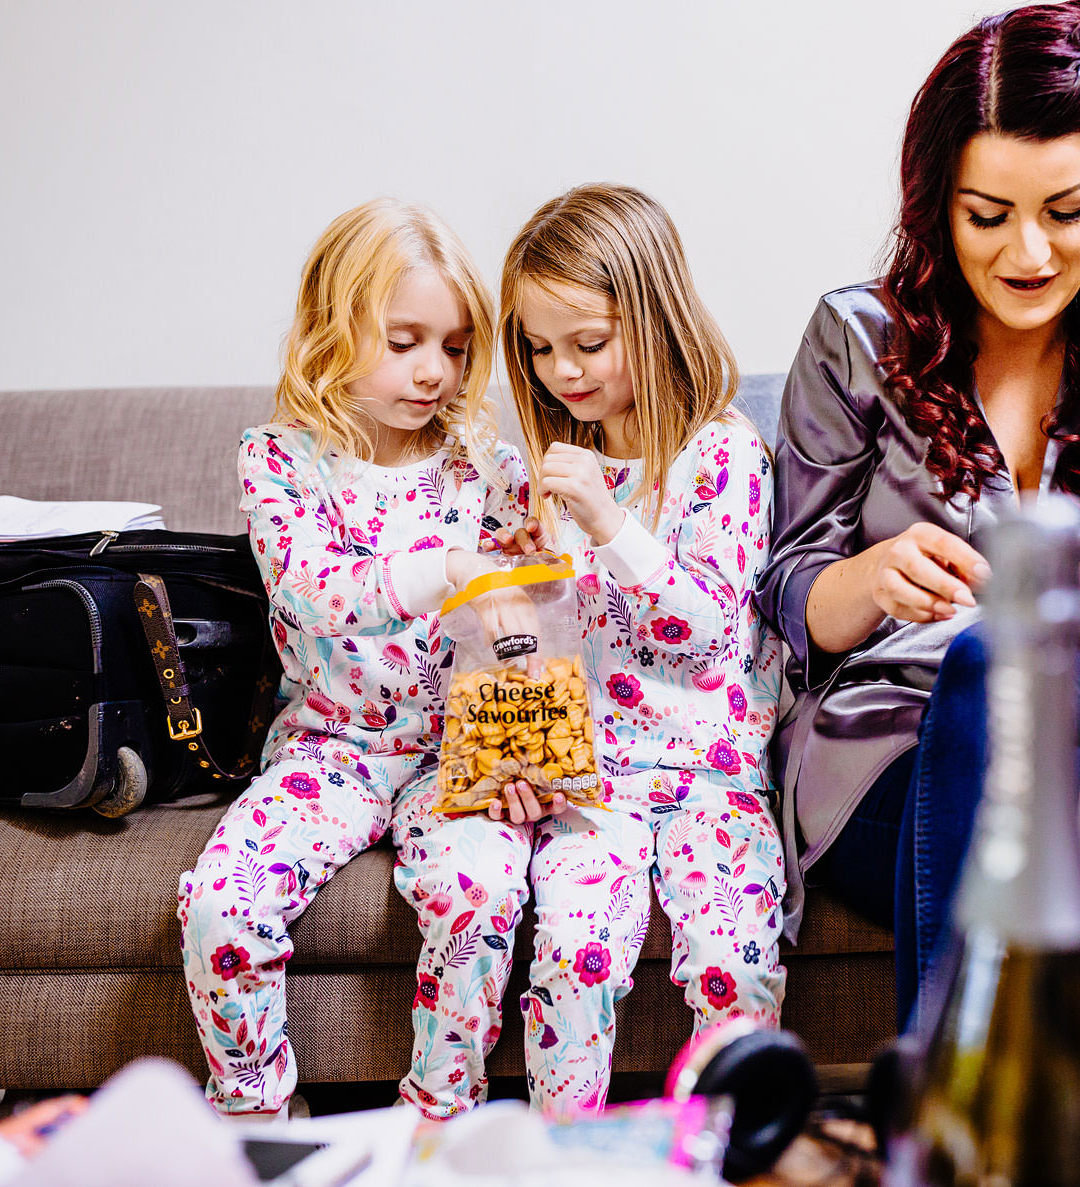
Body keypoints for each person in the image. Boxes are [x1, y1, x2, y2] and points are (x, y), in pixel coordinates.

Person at [752, 0, 1080, 1021]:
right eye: (988, 215)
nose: (1028, 252)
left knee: (1004, 661)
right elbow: (786, 583)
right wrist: (860, 580)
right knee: (1012, 823)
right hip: (884, 742)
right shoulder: (857, 335)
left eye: (1065, 212)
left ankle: (947, 1132)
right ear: (936, 202)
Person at [177, 198, 547, 1121]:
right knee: (222, 906)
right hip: (328, 751)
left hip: (455, 750)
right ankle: (258, 1115)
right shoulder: (280, 460)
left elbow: (528, 625)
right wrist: (450, 567)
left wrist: (520, 745)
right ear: (330, 332)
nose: (435, 371)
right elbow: (311, 590)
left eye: (456, 348)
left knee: (483, 894)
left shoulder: (484, 464)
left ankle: (435, 1122)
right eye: (404, 340)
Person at [491, 183, 787, 1109]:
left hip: (714, 774)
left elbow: (701, 634)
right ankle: (566, 1164)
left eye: (588, 342)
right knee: (570, 970)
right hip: (594, 784)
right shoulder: (547, 468)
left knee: (732, 968)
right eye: (539, 349)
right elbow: (525, 647)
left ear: (655, 321)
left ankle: (729, 1157)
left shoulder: (720, 454)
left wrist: (611, 520)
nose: (562, 372)